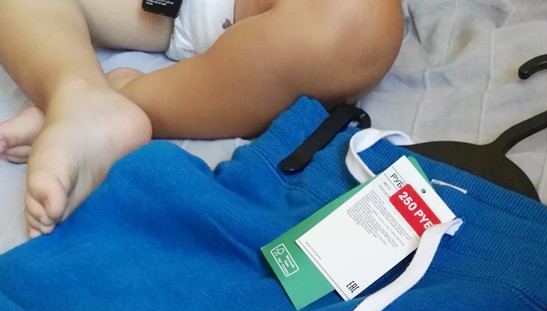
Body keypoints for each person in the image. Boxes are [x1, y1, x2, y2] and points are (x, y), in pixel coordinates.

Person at [0, 0, 403, 239]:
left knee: (357, 20)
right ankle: (76, 91)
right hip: (164, 13)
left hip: (287, 18)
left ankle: (116, 101)